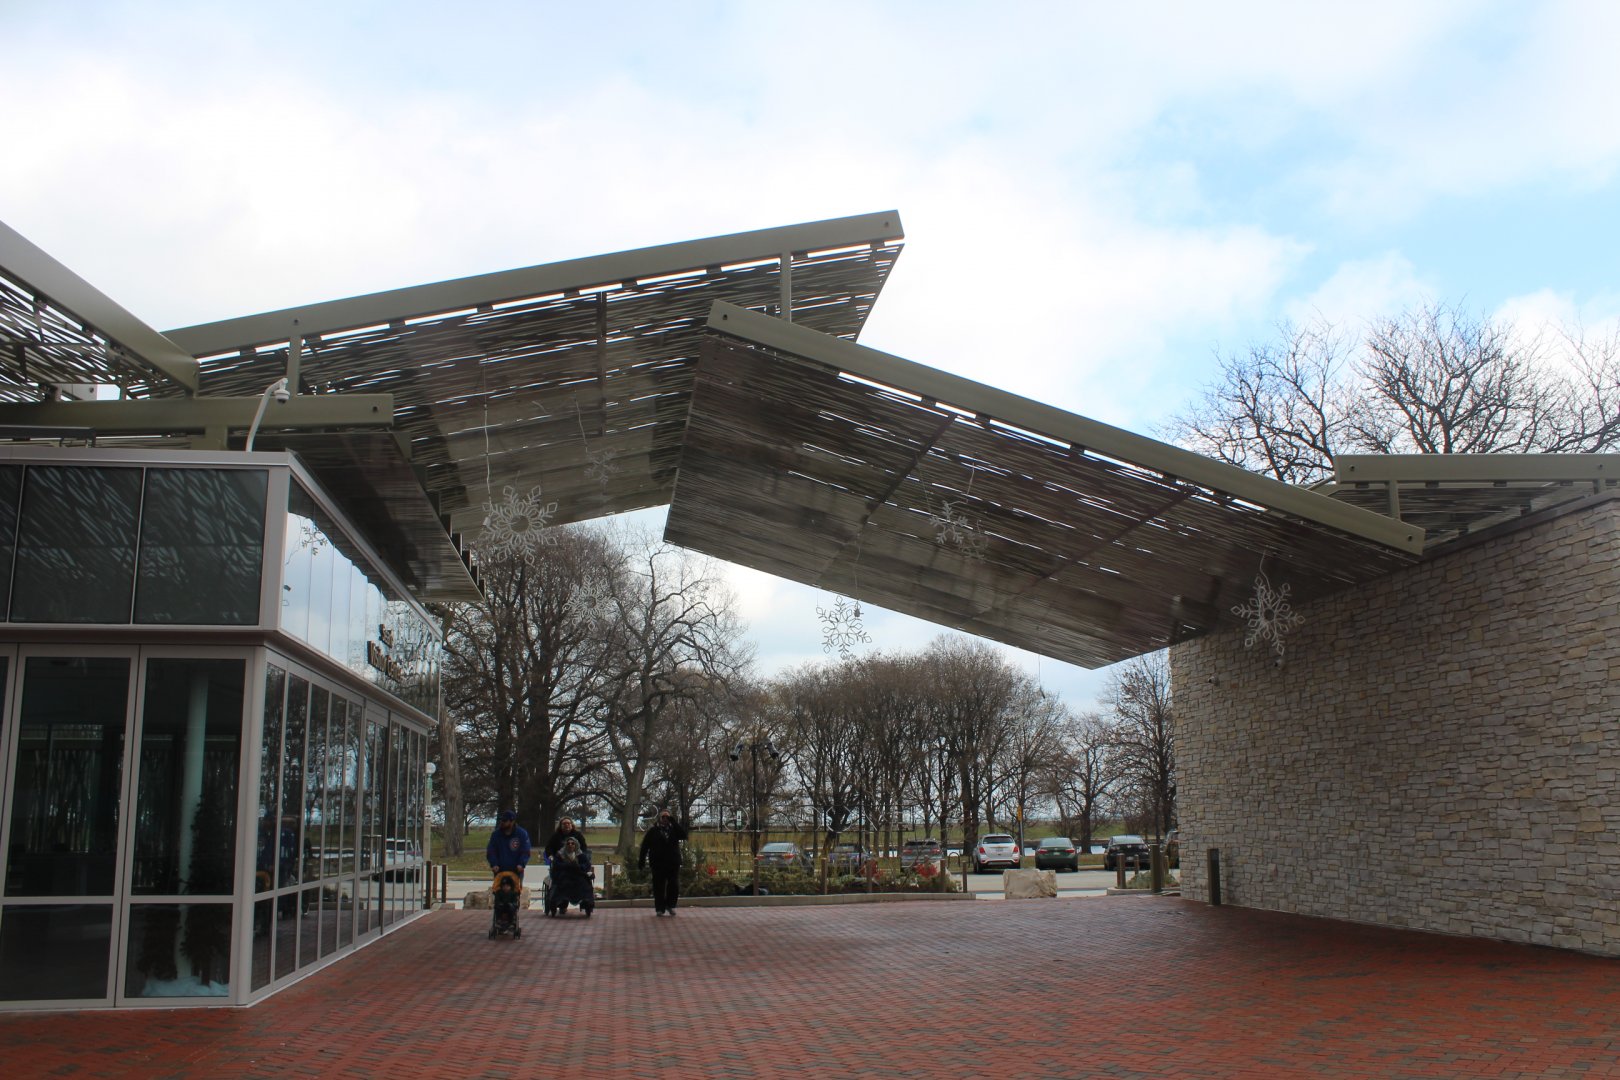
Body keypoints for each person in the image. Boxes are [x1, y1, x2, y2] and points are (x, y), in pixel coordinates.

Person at [639, 808, 689, 917]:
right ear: (660, 818)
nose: (665, 819)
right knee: (658, 886)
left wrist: (674, 822)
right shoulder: (653, 831)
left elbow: (684, 835)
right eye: (663, 817)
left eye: (667, 817)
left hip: (672, 862)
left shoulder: (674, 829)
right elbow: (645, 846)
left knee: (673, 885)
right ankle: (660, 908)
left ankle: (671, 905)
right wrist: (641, 860)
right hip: (658, 862)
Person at [487, 810, 532, 878]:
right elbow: (491, 851)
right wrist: (494, 864)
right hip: (499, 871)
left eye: (505, 821)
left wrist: (521, 864)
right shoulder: (495, 835)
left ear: (512, 821)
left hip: (516, 871)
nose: (502, 822)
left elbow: (525, 851)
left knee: (515, 888)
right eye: (502, 820)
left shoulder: (522, 834)